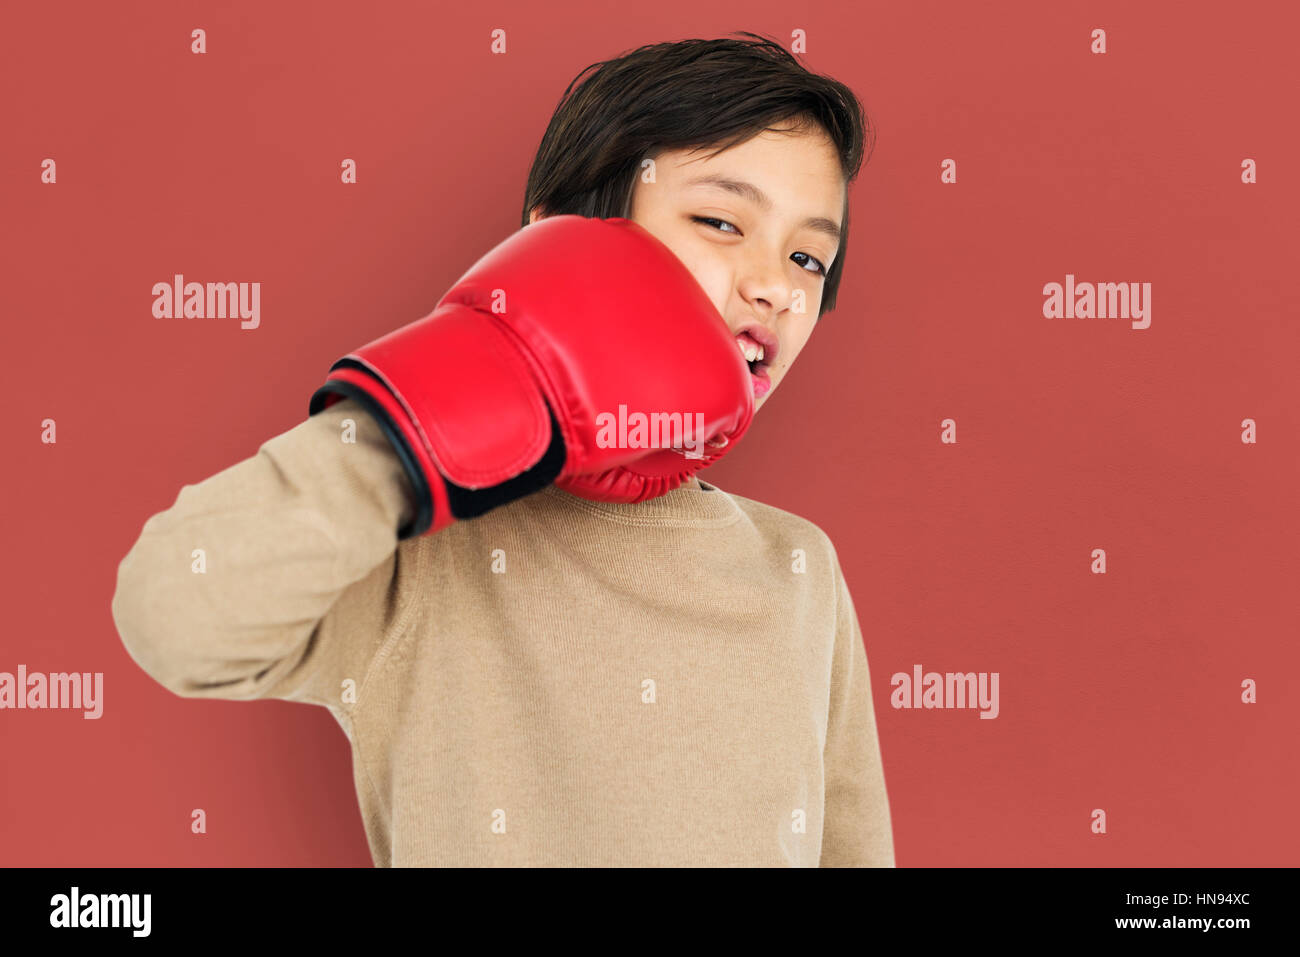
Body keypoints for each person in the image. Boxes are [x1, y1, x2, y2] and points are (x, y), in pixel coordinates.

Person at [111, 32, 895, 867]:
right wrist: (419, 429)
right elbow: (174, 612)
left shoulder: (798, 569)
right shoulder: (428, 554)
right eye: (719, 220)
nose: (775, 285)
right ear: (565, 244)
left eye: (810, 256)